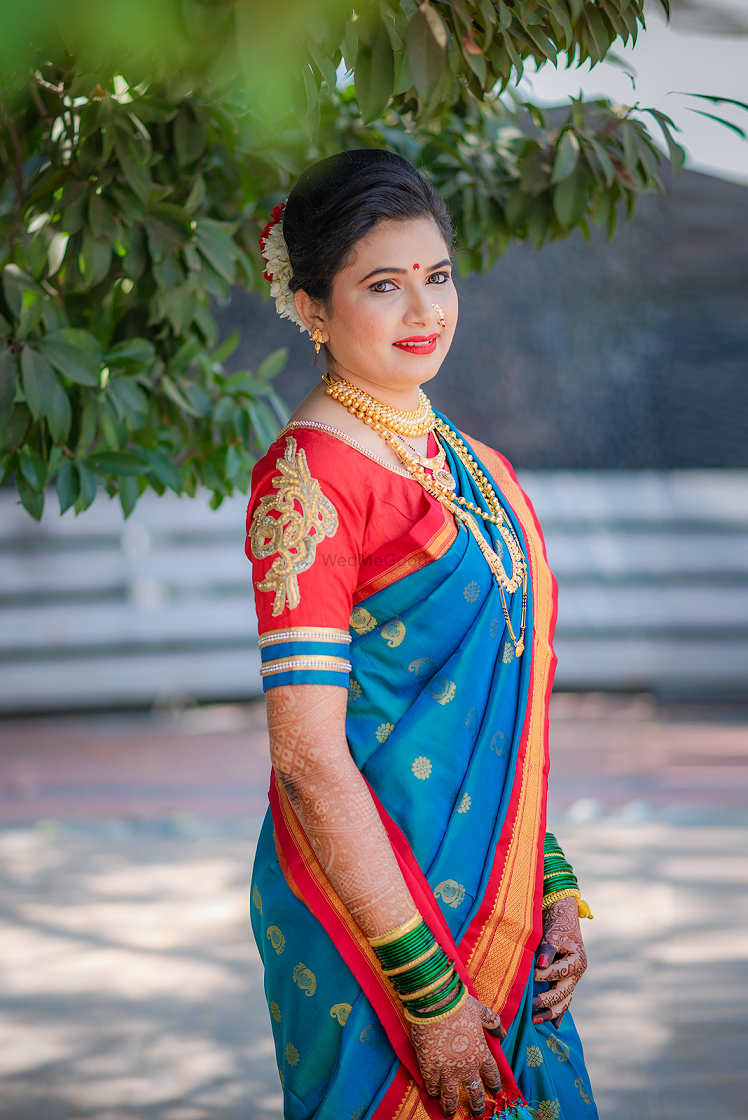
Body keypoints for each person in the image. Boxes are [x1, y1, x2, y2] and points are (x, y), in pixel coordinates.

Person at [246, 148, 597, 1120]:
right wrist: (431, 996)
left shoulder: (474, 463)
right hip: (375, 934)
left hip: (495, 897)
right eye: (382, 285)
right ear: (310, 306)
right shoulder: (309, 482)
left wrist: (551, 875)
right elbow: (309, 757)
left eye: (436, 277)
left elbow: (502, 704)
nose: (423, 312)